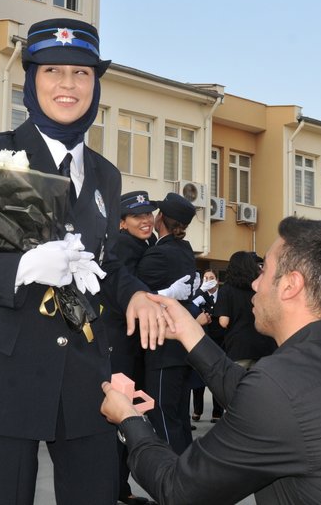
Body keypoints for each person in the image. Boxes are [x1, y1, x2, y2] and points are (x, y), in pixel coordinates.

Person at [0, 18, 167, 505]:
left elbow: (103, 266)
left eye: (81, 73)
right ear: (31, 80)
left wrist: (137, 294)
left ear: (95, 85)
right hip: (6, 372)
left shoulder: (105, 174)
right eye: (52, 70)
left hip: (86, 375)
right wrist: (22, 269)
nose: (67, 84)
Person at [101, 217, 321, 505]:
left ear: (290, 286)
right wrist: (191, 334)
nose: (255, 283)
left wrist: (130, 420)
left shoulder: (278, 387)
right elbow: (259, 398)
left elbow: (177, 489)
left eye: (265, 271)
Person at [103, 190, 158, 505]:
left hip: (134, 343)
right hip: (120, 342)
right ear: (122, 223)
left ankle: (119, 488)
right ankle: (112, 488)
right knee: (121, 415)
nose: (146, 220)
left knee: (131, 415)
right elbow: (119, 292)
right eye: (138, 216)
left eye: (149, 213)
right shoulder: (122, 246)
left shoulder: (145, 245)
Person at [136, 193, 199, 455]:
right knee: (179, 417)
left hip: (163, 349)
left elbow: (134, 293)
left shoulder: (159, 254)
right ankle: (189, 472)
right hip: (183, 348)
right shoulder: (184, 251)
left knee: (162, 416)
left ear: (161, 217)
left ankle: (173, 476)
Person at [215, 251, 276, 367]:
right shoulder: (258, 287)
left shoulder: (227, 289)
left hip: (239, 346)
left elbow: (224, 322)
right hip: (264, 345)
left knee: (238, 378)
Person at [190, 269, 225, 422]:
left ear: (216, 280)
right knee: (199, 376)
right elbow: (191, 307)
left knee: (217, 377)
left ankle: (217, 412)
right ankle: (197, 410)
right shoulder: (200, 295)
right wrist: (200, 291)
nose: (208, 280)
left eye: (211, 278)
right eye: (205, 278)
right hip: (203, 339)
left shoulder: (223, 296)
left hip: (220, 342)